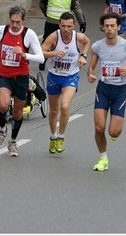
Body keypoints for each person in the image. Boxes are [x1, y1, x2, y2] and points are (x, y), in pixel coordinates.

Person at [87, 12, 126, 171]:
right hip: (103, 88)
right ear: (103, 28)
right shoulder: (97, 46)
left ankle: (114, 128)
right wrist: (91, 74)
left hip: (120, 90)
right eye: (106, 26)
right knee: (99, 127)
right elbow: (91, 67)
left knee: (114, 132)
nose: (109, 29)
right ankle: (103, 158)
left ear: (119, 27)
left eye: (112, 26)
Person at [0, 5, 44, 157]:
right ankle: (2, 130)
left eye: (17, 22)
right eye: (12, 21)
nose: (14, 25)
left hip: (20, 77)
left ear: (24, 20)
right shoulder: (2, 30)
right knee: (3, 104)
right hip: (3, 75)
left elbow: (40, 57)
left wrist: (25, 55)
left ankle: (13, 141)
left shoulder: (29, 34)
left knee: (18, 113)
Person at [41, 12, 91, 154]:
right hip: (54, 76)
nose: (66, 29)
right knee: (54, 110)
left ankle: (61, 137)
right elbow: (41, 51)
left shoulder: (78, 37)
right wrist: (54, 54)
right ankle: (53, 137)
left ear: (74, 26)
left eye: (69, 26)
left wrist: (83, 55)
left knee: (64, 106)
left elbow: (87, 42)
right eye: (63, 26)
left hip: (70, 76)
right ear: (59, 25)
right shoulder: (54, 37)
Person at [39, 0, 87, 71]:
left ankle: (42, 60)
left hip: (50, 21)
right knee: (63, 41)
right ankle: (65, 60)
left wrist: (47, 14)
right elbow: (77, 9)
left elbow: (42, 4)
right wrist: (82, 22)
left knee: (47, 40)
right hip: (65, 23)